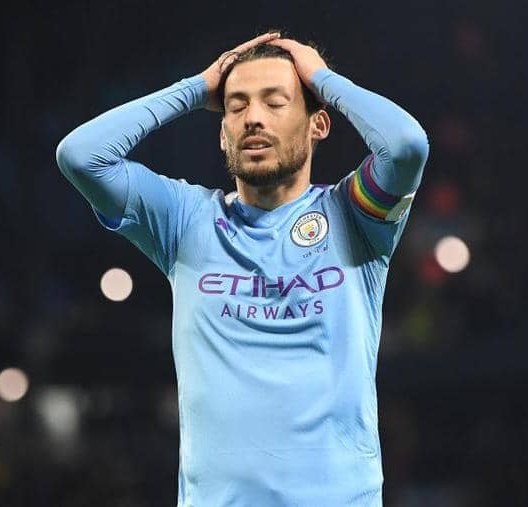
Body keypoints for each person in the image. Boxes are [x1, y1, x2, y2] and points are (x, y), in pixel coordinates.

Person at [56, 31, 428, 507]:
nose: (253, 117)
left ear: (318, 124)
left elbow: (406, 146)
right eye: (236, 105)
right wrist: (196, 88)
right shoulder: (184, 220)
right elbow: (81, 157)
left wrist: (322, 78)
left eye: (275, 102)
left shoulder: (354, 217)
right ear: (222, 131)